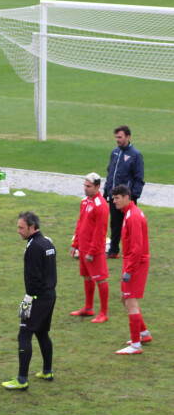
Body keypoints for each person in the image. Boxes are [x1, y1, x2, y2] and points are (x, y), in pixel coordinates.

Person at [2, 212, 56, 391]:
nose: (18, 231)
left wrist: (28, 299)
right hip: (50, 295)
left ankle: (22, 379)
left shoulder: (33, 247)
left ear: (32, 228)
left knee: (24, 335)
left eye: (21, 228)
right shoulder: (47, 242)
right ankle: (47, 371)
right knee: (42, 333)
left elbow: (33, 277)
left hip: (38, 298)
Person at [111, 185, 152, 355]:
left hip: (135, 264)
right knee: (124, 297)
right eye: (113, 198)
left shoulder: (133, 216)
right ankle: (143, 334)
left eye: (117, 198)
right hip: (133, 263)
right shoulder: (130, 213)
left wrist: (129, 270)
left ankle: (135, 345)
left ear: (127, 197)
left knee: (130, 301)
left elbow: (136, 247)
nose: (114, 202)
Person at [69, 173, 110, 323]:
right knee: (86, 277)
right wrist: (75, 244)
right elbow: (80, 223)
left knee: (100, 278)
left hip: (94, 249)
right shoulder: (85, 202)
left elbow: (100, 232)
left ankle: (104, 313)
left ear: (97, 187)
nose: (85, 189)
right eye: (84, 186)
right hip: (83, 247)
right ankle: (88, 308)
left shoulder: (102, 206)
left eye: (89, 186)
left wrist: (92, 251)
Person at [103, 125, 144, 259]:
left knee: (130, 226)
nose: (117, 140)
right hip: (114, 198)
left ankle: (135, 251)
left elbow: (139, 178)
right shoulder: (115, 152)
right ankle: (114, 251)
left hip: (128, 200)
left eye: (120, 137)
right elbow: (110, 173)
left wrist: (133, 196)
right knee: (115, 224)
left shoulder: (135, 155)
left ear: (128, 137)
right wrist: (106, 191)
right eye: (116, 137)